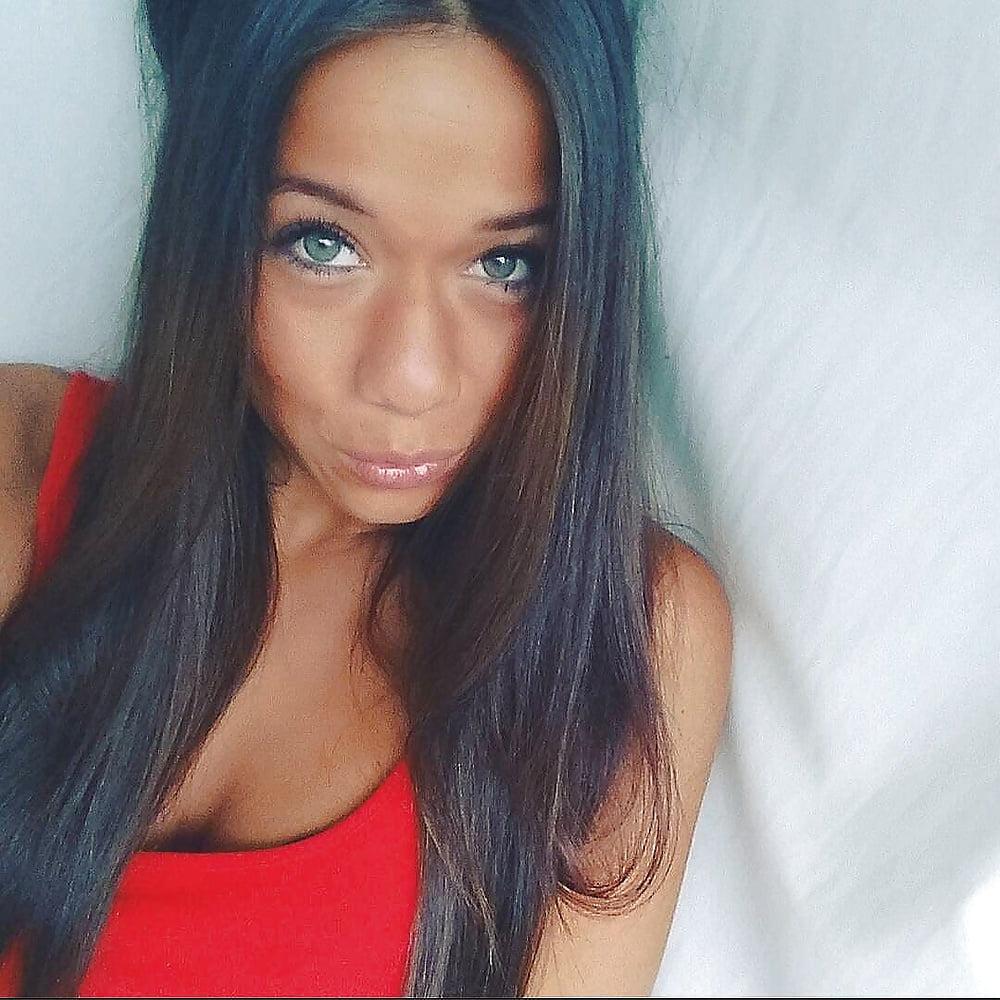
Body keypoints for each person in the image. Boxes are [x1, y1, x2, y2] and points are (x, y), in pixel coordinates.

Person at [0, 0, 732, 996]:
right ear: (208, 221)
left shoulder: (620, 634)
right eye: (323, 246)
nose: (411, 378)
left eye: (504, 265)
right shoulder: (25, 465)